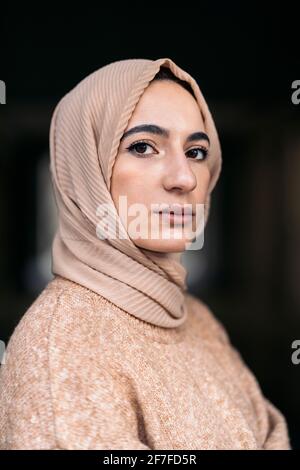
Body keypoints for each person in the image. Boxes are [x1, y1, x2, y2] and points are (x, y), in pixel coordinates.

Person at [0, 57, 291, 450]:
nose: (184, 178)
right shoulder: (62, 347)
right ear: (86, 169)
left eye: (197, 152)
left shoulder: (197, 319)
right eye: (143, 146)